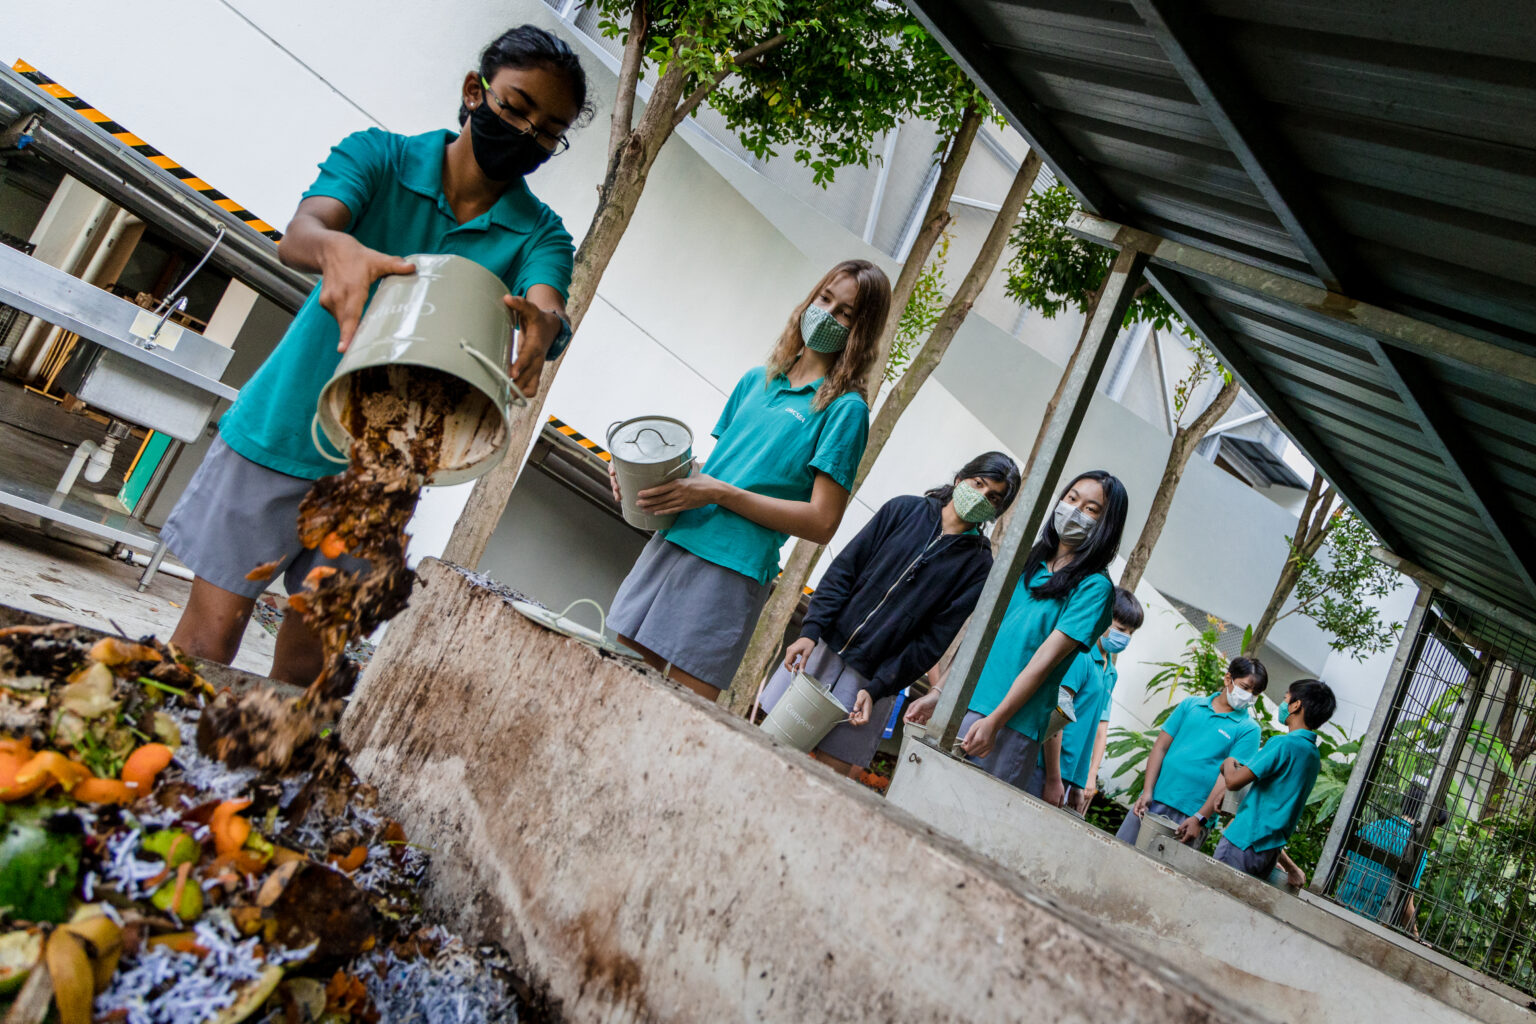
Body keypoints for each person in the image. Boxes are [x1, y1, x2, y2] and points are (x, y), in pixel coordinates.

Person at [163, 26, 589, 685]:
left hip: (385, 473)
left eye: (547, 130)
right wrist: (336, 248)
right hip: (280, 430)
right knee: (208, 639)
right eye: (515, 107)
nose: (527, 133)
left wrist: (541, 326)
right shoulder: (379, 158)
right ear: (475, 92)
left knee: (307, 667)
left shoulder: (541, 232)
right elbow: (306, 230)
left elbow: (545, 302)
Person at [608, 260, 892, 700]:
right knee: (608, 686)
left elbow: (821, 522)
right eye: (825, 299)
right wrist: (640, 476)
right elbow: (718, 473)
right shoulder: (756, 381)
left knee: (677, 717)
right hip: (673, 543)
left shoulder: (846, 411)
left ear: (862, 330)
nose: (828, 315)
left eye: (845, 313)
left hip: (733, 568)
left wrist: (720, 492)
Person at [757, 452, 1022, 774]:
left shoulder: (978, 567)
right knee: (769, 747)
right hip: (823, 648)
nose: (981, 497)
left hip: (872, 680)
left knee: (828, 775)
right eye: (977, 484)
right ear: (960, 479)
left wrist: (879, 687)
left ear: (997, 510)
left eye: (993, 497)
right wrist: (810, 631)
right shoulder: (903, 509)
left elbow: (931, 642)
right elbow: (844, 570)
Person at [904, 471, 1129, 792]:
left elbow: (1043, 663)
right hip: (961, 703)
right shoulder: (1028, 561)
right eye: (1071, 498)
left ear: (1108, 523)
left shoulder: (1094, 588)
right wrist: (940, 692)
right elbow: (982, 635)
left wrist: (996, 719)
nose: (1075, 511)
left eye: (1092, 509)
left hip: (1008, 725)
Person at [1116, 656, 1268, 848]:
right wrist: (1147, 791)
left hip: (1190, 817)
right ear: (1228, 679)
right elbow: (1161, 747)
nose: (1249, 696)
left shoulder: (1249, 729)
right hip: (1154, 800)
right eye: (1245, 687)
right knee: (1119, 852)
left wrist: (1200, 818)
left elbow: (1228, 778)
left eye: (1255, 693)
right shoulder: (1191, 705)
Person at [1215, 678, 1338, 886]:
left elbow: (1234, 781)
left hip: (1241, 842)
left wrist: (1228, 761)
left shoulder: (1283, 744)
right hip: (1267, 854)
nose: (1283, 704)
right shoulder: (1312, 757)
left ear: (1296, 705)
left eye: (1286, 698)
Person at [1033, 587, 1143, 812]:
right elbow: (1055, 715)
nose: (1126, 637)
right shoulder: (1081, 656)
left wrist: (1079, 782)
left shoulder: (1111, 672)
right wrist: (1054, 777)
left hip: (1068, 777)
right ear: (1103, 618)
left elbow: (1094, 729)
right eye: (1121, 629)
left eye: (1131, 633)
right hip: (1045, 768)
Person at [1334, 783, 1444, 936]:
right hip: (1371, 925)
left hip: (1339, 906)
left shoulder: (1374, 826)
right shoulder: (1417, 852)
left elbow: (1344, 862)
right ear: (1430, 820)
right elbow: (1406, 904)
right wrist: (1416, 938)